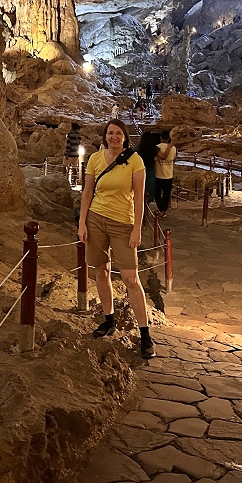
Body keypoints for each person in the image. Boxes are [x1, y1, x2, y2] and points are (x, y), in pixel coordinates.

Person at [78, 119, 153, 359]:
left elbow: (139, 198)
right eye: (110, 133)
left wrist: (137, 229)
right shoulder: (95, 159)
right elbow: (87, 192)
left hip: (123, 223)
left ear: (125, 137)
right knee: (101, 271)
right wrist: (82, 222)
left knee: (130, 277)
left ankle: (145, 333)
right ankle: (109, 319)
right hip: (96, 219)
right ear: (105, 136)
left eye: (118, 133)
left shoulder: (135, 161)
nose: (114, 137)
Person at [154, 130, 176, 213]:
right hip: (169, 174)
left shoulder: (157, 147)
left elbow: (154, 160)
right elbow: (173, 158)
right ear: (169, 138)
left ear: (160, 137)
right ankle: (163, 210)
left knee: (157, 193)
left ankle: (160, 209)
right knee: (166, 194)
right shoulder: (173, 148)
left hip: (158, 174)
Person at [136, 131, 160, 203]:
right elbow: (163, 156)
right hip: (150, 171)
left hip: (140, 169)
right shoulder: (154, 148)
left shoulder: (138, 149)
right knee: (149, 189)